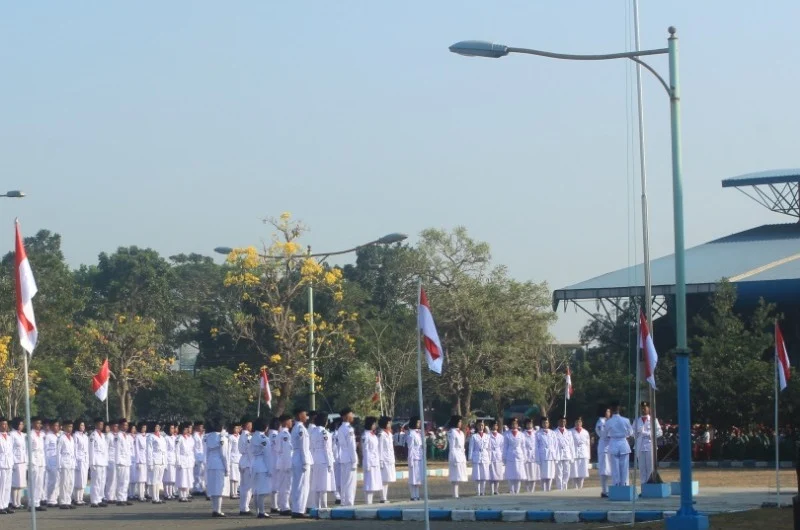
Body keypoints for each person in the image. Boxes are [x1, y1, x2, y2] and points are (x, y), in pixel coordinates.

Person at [632, 401, 662, 488]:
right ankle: (643, 487)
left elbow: (660, 432)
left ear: (649, 409)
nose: (643, 410)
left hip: (650, 446)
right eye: (642, 408)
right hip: (640, 446)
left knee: (650, 468)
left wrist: (649, 434)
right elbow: (632, 432)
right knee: (642, 469)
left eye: (645, 408)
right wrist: (637, 434)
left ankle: (650, 487)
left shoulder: (653, 420)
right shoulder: (637, 421)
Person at [604, 401, 634, 487]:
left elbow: (605, 434)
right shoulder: (626, 420)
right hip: (623, 443)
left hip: (613, 443)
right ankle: (625, 484)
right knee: (624, 467)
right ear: (619, 409)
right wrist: (625, 435)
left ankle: (616, 484)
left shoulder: (608, 422)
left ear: (611, 410)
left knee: (615, 468)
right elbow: (631, 432)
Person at [290, 408, 312, 518]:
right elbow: (303, 447)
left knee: (297, 485)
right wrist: (305, 461)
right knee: (302, 485)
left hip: (297, 457)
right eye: (304, 414)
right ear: (299, 415)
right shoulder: (300, 428)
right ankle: (299, 510)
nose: (306, 416)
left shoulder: (296, 427)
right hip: (301, 458)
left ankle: (297, 509)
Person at [310, 413, 335, 509]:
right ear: (325, 422)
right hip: (323, 460)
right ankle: (324, 506)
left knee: (316, 485)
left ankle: (316, 506)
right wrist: (329, 463)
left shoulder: (312, 432)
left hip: (314, 459)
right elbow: (327, 449)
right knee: (324, 485)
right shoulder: (325, 433)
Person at [204, 421, 229, 517]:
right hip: (219, 464)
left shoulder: (208, 437)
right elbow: (224, 454)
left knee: (213, 487)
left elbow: (206, 452)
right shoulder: (222, 437)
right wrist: (227, 468)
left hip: (210, 464)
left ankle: (215, 509)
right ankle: (218, 510)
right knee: (219, 487)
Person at [249, 418, 272, 519]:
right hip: (262, 465)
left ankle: (258, 510)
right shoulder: (264, 438)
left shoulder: (253, 437)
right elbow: (267, 455)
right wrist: (270, 469)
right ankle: (262, 512)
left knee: (256, 490)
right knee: (262, 491)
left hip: (254, 464)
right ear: (265, 427)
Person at [336, 409, 358, 507]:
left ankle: (344, 502)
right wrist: (354, 460)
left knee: (344, 481)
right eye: (351, 414)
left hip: (343, 457)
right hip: (349, 458)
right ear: (345, 417)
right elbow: (351, 446)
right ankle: (349, 503)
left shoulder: (340, 428)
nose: (352, 416)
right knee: (350, 483)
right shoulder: (349, 429)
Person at [361, 416, 382, 505]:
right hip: (369, 462)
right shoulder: (365, 435)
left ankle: (371, 502)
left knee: (373, 484)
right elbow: (365, 450)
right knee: (369, 484)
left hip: (375, 462)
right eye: (374, 424)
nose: (375, 425)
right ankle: (368, 502)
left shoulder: (373, 435)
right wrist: (367, 464)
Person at [274, 414, 293, 515]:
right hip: (285, 463)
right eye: (290, 420)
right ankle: (284, 507)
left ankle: (283, 506)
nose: (291, 422)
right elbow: (286, 451)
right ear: (285, 422)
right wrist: (288, 465)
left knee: (284, 485)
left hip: (282, 462)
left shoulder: (282, 433)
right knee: (286, 486)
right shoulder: (285, 434)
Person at [88, 418, 108, 508]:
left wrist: (106, 461)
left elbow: (105, 450)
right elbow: (91, 450)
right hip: (96, 461)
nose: (101, 426)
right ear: (96, 425)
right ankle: (94, 500)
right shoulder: (93, 435)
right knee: (95, 481)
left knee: (102, 481)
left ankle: (99, 498)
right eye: (99, 424)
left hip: (103, 461)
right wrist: (91, 463)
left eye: (102, 424)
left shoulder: (103, 436)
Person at [503, 418, 526, 494]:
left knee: (518, 474)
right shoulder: (506, 434)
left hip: (519, 455)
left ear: (517, 424)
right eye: (512, 424)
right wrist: (504, 457)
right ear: (510, 425)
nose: (514, 425)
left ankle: (517, 491)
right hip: (510, 455)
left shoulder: (522, 434)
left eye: (515, 423)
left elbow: (523, 446)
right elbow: (505, 446)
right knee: (510, 474)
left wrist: (524, 456)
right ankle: (512, 490)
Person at [57, 419, 77, 510]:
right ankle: (63, 501)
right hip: (64, 462)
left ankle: (68, 501)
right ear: (64, 427)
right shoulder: (61, 438)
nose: (70, 428)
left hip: (71, 462)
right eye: (69, 426)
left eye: (71, 426)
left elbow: (74, 452)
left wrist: (75, 462)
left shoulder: (72, 438)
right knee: (64, 483)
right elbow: (58, 452)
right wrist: (59, 465)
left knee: (70, 483)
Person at [447, 415, 468, 498]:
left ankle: (457, 493)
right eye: (459, 421)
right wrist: (452, 458)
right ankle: (455, 494)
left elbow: (463, 446)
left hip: (461, 455)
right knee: (454, 476)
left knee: (459, 475)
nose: (460, 423)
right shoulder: (452, 432)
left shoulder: (462, 433)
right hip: (455, 454)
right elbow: (451, 447)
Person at [28, 417, 46, 511]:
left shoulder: (42, 434)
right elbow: (28, 450)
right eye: (37, 423)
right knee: (33, 483)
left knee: (39, 483)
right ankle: (31, 503)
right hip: (34, 461)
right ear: (33, 424)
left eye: (40, 423)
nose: (39, 425)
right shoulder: (30, 435)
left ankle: (37, 502)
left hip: (41, 461)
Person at [376, 416, 396, 503]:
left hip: (390, 459)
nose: (390, 424)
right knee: (383, 479)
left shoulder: (390, 434)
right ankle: (382, 497)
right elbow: (379, 448)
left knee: (387, 479)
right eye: (388, 423)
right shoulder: (381, 435)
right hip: (383, 459)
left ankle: (385, 497)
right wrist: (380, 461)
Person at [114, 419, 133, 506]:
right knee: (121, 481)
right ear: (120, 426)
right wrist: (118, 461)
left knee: (126, 481)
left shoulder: (128, 436)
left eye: (126, 425)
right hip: (121, 461)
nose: (125, 427)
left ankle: (124, 498)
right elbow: (117, 449)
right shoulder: (118, 436)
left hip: (127, 461)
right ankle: (119, 499)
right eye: (124, 425)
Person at [468, 419, 490, 496]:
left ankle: (482, 491)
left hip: (485, 456)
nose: (481, 427)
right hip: (476, 456)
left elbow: (489, 448)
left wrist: (489, 458)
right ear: (477, 426)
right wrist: (470, 458)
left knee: (484, 475)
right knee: (477, 475)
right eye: (479, 425)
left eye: (482, 425)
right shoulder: (474, 436)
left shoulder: (487, 436)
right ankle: (477, 491)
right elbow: (471, 448)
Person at [147, 421, 167, 504]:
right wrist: (150, 462)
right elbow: (149, 450)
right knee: (154, 480)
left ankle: (158, 497)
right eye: (156, 426)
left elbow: (165, 450)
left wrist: (165, 462)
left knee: (159, 480)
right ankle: (154, 498)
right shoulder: (150, 437)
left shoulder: (162, 437)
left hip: (162, 460)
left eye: (159, 427)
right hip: (155, 460)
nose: (158, 428)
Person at [535, 417, 557, 491]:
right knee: (543, 475)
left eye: (547, 422)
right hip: (543, 455)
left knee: (550, 474)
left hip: (551, 456)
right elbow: (536, 447)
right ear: (541, 424)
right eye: (544, 423)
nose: (545, 424)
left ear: (549, 423)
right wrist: (537, 458)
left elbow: (555, 445)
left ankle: (549, 489)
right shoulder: (538, 434)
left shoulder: (553, 433)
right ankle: (543, 489)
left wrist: (555, 456)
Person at [9, 417, 26, 510]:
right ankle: (14, 502)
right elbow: (10, 449)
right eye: (20, 424)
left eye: (22, 424)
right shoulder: (12, 434)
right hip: (15, 461)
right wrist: (13, 462)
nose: (22, 426)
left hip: (22, 461)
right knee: (15, 484)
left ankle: (19, 502)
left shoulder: (23, 435)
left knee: (21, 484)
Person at [405, 416, 423, 501]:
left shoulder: (418, 433)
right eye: (418, 422)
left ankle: (417, 495)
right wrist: (411, 460)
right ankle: (413, 495)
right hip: (414, 458)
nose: (419, 424)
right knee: (413, 478)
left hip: (419, 457)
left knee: (418, 478)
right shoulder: (411, 434)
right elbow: (410, 448)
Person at [595, 405, 612, 497]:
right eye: (607, 411)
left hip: (611, 448)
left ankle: (610, 489)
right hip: (604, 448)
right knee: (604, 471)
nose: (608, 413)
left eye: (609, 411)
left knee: (611, 471)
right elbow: (603, 434)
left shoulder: (610, 421)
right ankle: (604, 491)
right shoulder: (601, 422)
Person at [554, 417, 575, 491]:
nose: (563, 423)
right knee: (559, 472)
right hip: (558, 454)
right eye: (561, 421)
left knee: (567, 472)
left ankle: (564, 486)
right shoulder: (554, 432)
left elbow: (571, 445)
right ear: (558, 422)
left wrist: (572, 457)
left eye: (564, 421)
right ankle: (559, 488)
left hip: (567, 454)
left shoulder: (569, 432)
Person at [175, 423, 194, 502]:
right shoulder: (179, 438)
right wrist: (178, 461)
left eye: (187, 429)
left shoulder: (190, 438)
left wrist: (193, 460)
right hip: (182, 460)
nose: (187, 430)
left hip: (189, 460)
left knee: (187, 479)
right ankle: (181, 496)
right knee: (182, 479)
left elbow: (192, 450)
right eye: (185, 429)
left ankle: (186, 495)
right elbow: (177, 451)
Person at [238, 417, 253, 514]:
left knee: (243, 487)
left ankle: (243, 506)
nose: (251, 426)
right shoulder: (248, 436)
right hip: (248, 462)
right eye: (250, 424)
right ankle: (245, 508)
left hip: (243, 461)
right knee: (248, 487)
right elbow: (250, 450)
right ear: (247, 425)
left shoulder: (241, 435)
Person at [570, 417, 590, 489]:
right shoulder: (570, 432)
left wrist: (588, 456)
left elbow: (588, 445)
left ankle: (580, 487)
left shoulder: (585, 432)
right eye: (577, 422)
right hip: (574, 454)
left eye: (580, 422)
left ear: (582, 423)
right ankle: (574, 488)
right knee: (574, 472)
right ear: (574, 423)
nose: (578, 423)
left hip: (583, 454)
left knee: (582, 472)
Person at [44, 419, 60, 507]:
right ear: (50, 427)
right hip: (50, 460)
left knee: (57, 481)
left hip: (57, 461)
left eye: (57, 426)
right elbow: (45, 450)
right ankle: (49, 499)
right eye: (55, 426)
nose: (56, 427)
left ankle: (54, 499)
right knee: (51, 481)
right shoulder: (48, 436)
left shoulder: (58, 436)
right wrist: (47, 463)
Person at [267, 417, 281, 514]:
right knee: (276, 485)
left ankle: (274, 505)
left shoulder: (269, 434)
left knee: (274, 485)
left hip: (270, 461)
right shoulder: (276, 435)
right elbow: (278, 449)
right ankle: (274, 506)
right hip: (275, 461)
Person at [73, 419, 88, 505]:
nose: (83, 427)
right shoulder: (76, 436)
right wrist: (75, 461)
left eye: (84, 425)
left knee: (84, 480)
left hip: (85, 459)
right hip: (78, 459)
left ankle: (81, 498)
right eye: (81, 425)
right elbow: (74, 449)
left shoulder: (85, 436)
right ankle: (76, 498)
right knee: (78, 480)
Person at [522, 418, 539, 493]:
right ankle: (527, 490)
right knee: (527, 475)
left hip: (534, 456)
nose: (529, 425)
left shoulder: (536, 433)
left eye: (531, 424)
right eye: (528, 424)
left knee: (534, 475)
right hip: (526, 456)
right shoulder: (522, 434)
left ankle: (532, 490)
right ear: (525, 425)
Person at [488, 420, 504, 495]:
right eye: (494, 425)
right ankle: (491, 490)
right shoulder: (488, 436)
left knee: (498, 474)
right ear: (491, 426)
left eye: (496, 425)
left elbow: (502, 447)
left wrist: (501, 455)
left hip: (498, 456)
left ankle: (496, 490)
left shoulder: (501, 436)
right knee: (491, 475)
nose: (495, 427)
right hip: (491, 455)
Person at [0, 418, 12, 514]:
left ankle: (5, 504)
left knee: (7, 486)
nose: (5, 426)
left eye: (6, 424)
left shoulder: (9, 437)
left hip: (8, 463)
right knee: (1, 486)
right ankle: (0, 506)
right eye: (3, 424)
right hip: (1, 463)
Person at [104, 419, 118, 504]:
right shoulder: (109, 435)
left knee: (116, 479)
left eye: (117, 426)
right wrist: (106, 460)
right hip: (110, 459)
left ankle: (114, 496)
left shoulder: (118, 435)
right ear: (111, 427)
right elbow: (106, 448)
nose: (116, 427)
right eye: (115, 426)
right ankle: (109, 496)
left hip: (117, 459)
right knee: (111, 479)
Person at [163, 423, 177, 501]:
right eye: (171, 428)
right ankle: (166, 493)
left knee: (172, 478)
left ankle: (171, 493)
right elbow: (165, 450)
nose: (173, 430)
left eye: (173, 428)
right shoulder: (166, 438)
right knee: (167, 478)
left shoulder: (174, 438)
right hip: (167, 458)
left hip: (173, 459)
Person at [228, 422, 242, 499]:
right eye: (235, 428)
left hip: (238, 458)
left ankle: (236, 492)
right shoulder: (230, 437)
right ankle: (232, 492)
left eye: (238, 428)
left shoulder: (240, 437)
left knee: (237, 477)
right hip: (232, 458)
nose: (237, 429)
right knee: (232, 478)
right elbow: (229, 450)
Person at [192, 421, 206, 495]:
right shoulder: (194, 436)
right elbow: (193, 448)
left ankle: (201, 488)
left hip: (202, 456)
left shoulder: (203, 435)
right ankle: (197, 489)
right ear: (196, 427)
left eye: (202, 426)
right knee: (197, 474)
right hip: (197, 456)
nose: (202, 428)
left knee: (202, 474)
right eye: (200, 426)